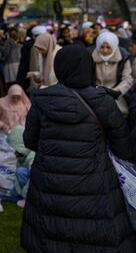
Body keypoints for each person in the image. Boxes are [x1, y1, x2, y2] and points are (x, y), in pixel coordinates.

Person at [21, 45, 136, 252]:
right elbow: (124, 148)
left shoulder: (42, 100)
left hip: (50, 184)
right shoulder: (104, 102)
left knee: (51, 237)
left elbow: (30, 141)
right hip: (95, 186)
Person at [92, 31, 134, 115]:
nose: (105, 50)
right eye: (102, 47)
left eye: (108, 47)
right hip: (95, 94)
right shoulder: (90, 56)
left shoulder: (123, 57)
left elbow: (127, 79)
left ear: (114, 46)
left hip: (117, 94)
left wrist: (116, 91)